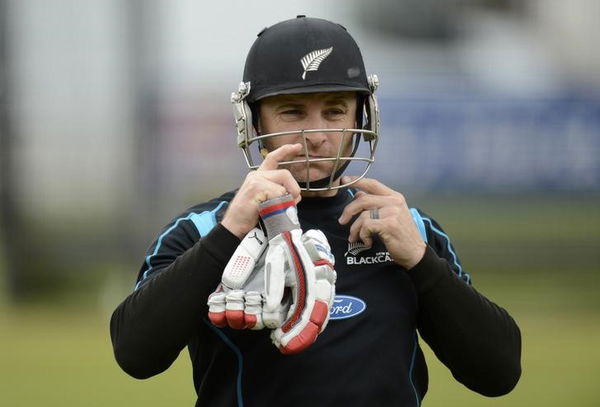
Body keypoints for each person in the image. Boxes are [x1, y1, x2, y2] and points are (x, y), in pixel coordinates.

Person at [110, 16, 521, 406]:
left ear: (364, 116)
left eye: (335, 110)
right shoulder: (202, 229)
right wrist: (230, 232)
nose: (318, 135)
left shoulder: (408, 228)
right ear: (253, 121)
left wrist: (419, 261)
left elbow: (497, 374)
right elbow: (136, 355)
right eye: (292, 111)